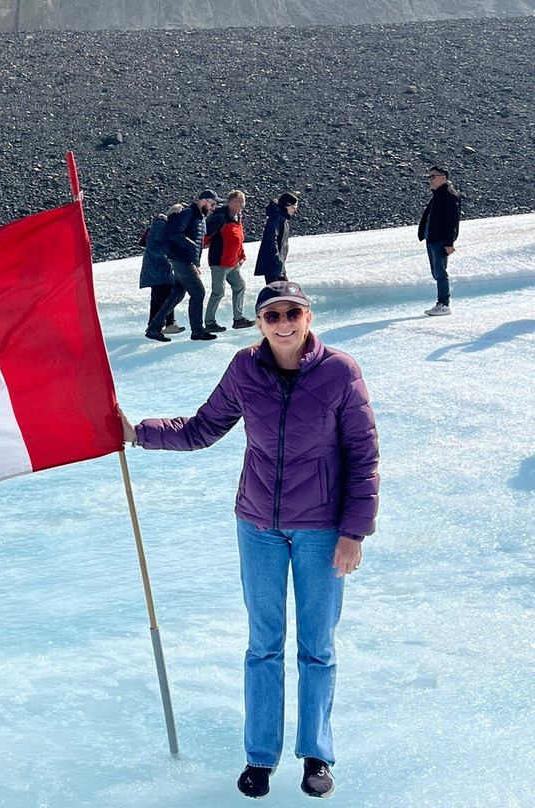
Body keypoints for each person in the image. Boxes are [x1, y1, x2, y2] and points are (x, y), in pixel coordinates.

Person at [120, 280, 379, 800]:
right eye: (272, 315)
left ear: (308, 316)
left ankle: (316, 756)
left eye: (292, 313)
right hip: (258, 525)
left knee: (316, 648)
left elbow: (364, 457)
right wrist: (136, 432)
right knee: (263, 646)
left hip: (321, 530)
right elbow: (202, 427)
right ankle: (260, 758)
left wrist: (353, 532)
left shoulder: (339, 372)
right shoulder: (245, 368)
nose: (283, 323)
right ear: (260, 323)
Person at [146, 189, 222, 343]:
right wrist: (191, 246)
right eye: (212, 204)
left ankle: (154, 327)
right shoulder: (189, 213)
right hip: (182, 261)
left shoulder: (199, 217)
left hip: (186, 261)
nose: (213, 208)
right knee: (198, 293)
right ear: (203, 201)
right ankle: (197, 331)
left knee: (177, 294)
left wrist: (196, 262)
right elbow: (175, 234)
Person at [204, 190, 254, 332]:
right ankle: (209, 322)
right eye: (241, 203)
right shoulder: (220, 217)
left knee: (240, 286)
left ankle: (238, 319)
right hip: (220, 262)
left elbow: (238, 239)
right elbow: (206, 236)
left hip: (233, 263)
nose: (242, 206)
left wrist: (241, 255)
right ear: (232, 202)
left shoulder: (237, 217)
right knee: (218, 292)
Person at [417, 166, 461, 316]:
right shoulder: (439, 194)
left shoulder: (449, 195)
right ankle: (441, 303)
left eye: (433, 176)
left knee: (441, 273)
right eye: (429, 177)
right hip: (432, 239)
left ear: (443, 177)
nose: (430, 180)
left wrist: (449, 242)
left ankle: (444, 304)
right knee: (437, 272)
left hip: (440, 240)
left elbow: (452, 221)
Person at [139, 203, 186, 336]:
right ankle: (163, 324)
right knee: (165, 295)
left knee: (160, 296)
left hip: (157, 268)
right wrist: (169, 257)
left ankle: (161, 324)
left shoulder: (162, 224)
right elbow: (154, 246)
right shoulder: (161, 225)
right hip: (158, 268)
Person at [254, 192, 298, 285]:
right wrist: (277, 258)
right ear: (287, 206)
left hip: (278, 264)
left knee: (284, 290)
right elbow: (271, 239)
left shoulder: (282, 217)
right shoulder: (277, 217)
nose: (295, 210)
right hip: (273, 264)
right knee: (278, 291)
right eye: (294, 207)